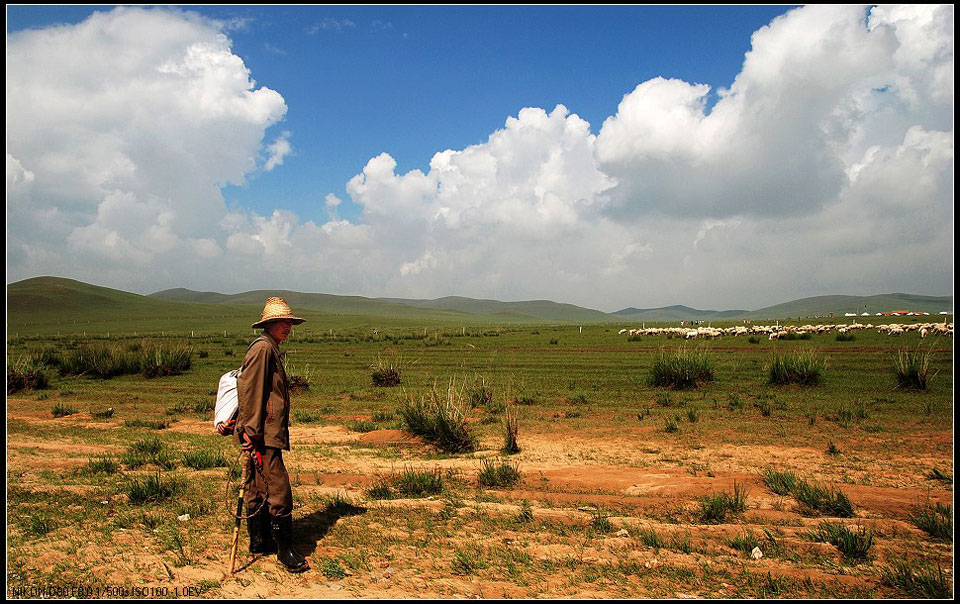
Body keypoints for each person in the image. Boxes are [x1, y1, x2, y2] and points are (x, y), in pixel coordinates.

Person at [233, 297, 309, 573]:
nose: (287, 326)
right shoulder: (263, 349)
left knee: (256, 487)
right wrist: (252, 432)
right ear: (269, 324)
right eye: (282, 322)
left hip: (263, 431)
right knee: (278, 489)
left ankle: (261, 541)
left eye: (290, 322)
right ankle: (284, 551)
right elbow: (251, 392)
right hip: (262, 434)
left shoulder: (269, 347)